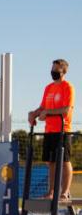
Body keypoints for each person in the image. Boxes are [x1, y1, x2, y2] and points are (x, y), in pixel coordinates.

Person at [28, 59, 76, 199]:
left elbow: (66, 110)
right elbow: (42, 107)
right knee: (51, 162)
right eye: (52, 69)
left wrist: (48, 112)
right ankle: (51, 191)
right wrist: (33, 114)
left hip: (63, 130)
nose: (53, 72)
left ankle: (64, 191)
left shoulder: (68, 87)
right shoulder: (48, 88)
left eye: (56, 70)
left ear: (63, 71)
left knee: (65, 160)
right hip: (49, 131)